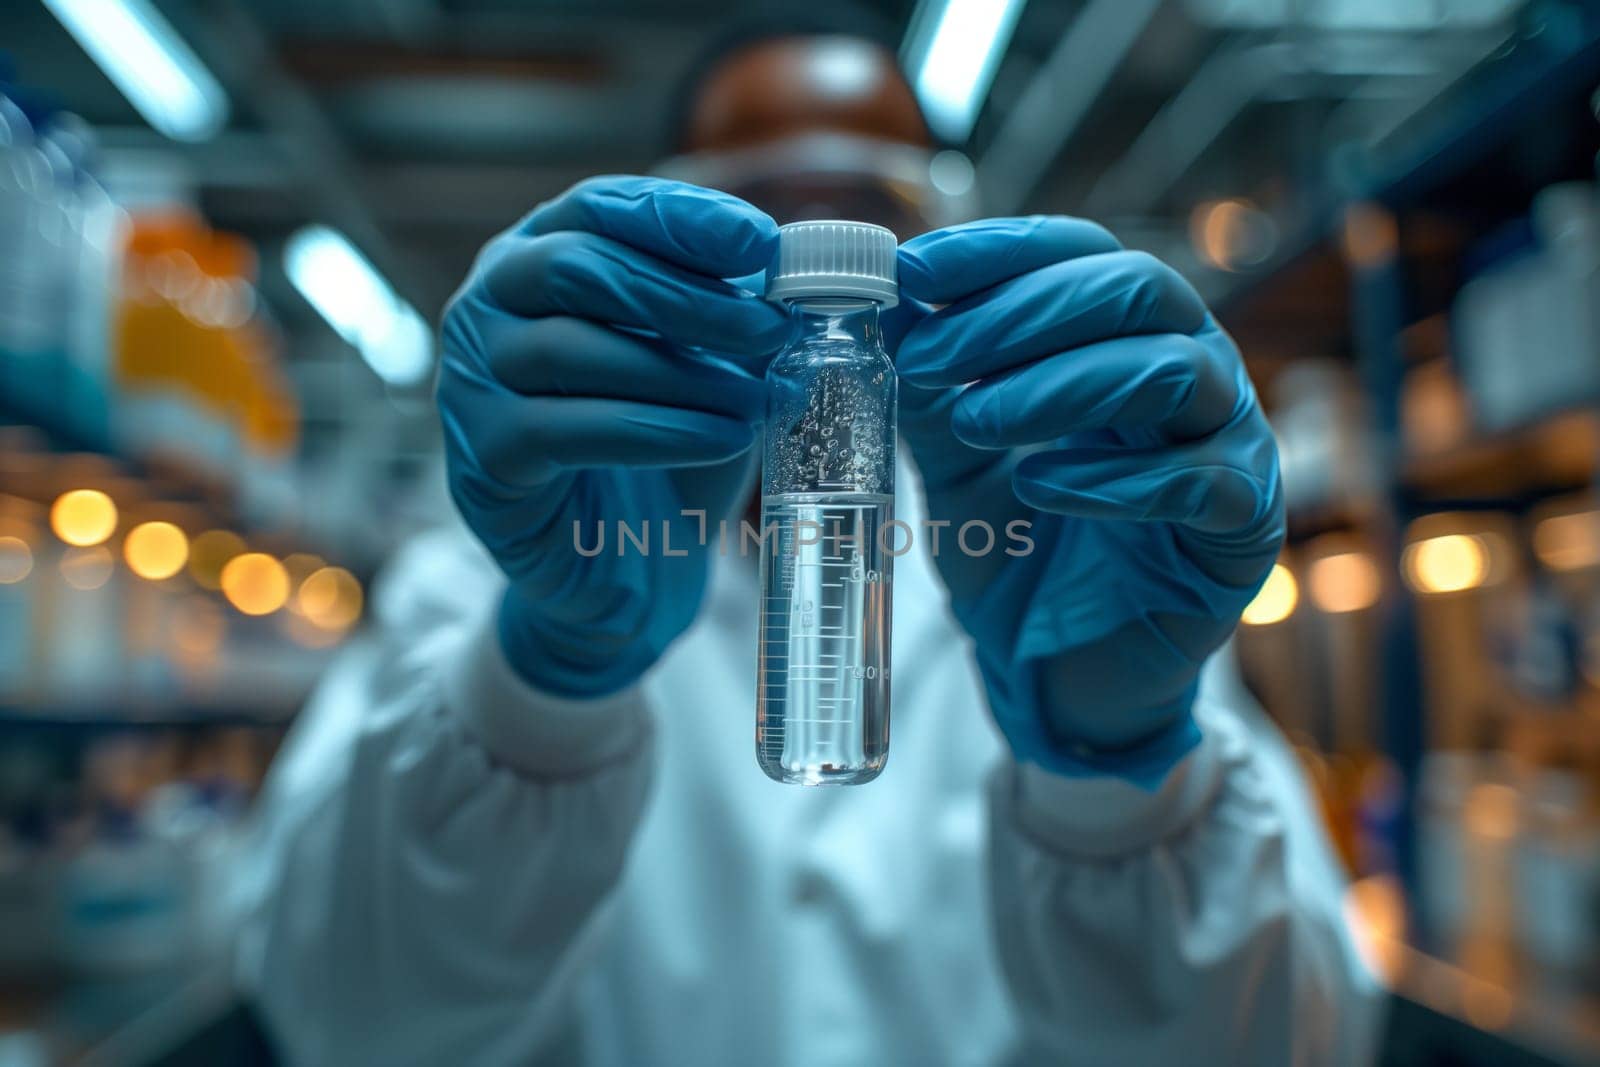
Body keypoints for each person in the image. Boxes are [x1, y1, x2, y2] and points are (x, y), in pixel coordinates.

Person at [230, 20, 1384, 1067]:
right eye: (752, 210)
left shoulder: (1078, 544)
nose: (801, 254)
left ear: (933, 240)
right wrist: (547, 672)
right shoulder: (490, 562)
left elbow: (1304, 1040)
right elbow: (336, 1014)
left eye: (868, 211)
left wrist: (1117, 766)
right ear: (663, 239)